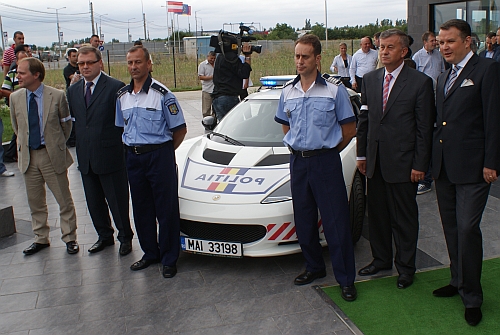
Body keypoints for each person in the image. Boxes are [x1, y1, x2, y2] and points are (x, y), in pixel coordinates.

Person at [274, 34, 357, 302]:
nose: (299, 61)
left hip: (326, 161)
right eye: (297, 56)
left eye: (305, 56)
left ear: (318, 59)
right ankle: (314, 267)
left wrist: (327, 149)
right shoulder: (288, 91)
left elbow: (349, 129)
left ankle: (345, 279)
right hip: (298, 162)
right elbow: (286, 126)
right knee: (304, 219)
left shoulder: (335, 90)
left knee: (336, 222)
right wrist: (299, 147)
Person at [432, 19, 500, 326]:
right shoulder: (444, 77)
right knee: (451, 228)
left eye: (450, 41)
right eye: (441, 41)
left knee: (467, 229)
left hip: (475, 169)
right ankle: (457, 281)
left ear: (468, 41)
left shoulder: (487, 70)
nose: (443, 46)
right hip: (445, 167)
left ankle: (473, 297)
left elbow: (494, 120)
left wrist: (492, 162)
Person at [356, 29, 435, 289]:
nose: (384, 52)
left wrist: (419, 165)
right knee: (377, 216)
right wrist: (362, 154)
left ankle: (406, 267)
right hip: (376, 163)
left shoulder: (419, 83)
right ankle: (381, 260)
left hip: (404, 165)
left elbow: (424, 129)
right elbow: (365, 120)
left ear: (403, 52)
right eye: (381, 47)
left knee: (404, 219)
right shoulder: (370, 79)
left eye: (390, 47)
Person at [115, 46, 187, 278]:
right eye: (130, 63)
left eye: (138, 62)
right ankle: (150, 253)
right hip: (133, 157)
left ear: (149, 64)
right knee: (141, 207)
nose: (134, 67)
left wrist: (163, 152)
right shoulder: (122, 97)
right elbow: (122, 128)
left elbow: (180, 130)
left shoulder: (163, 95)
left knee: (165, 209)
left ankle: (168, 258)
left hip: (159, 156)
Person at [67, 46, 134, 256]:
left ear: (100, 63)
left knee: (117, 201)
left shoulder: (116, 87)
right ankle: (104, 236)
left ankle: (125, 237)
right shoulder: (73, 91)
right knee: (94, 202)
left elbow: (125, 123)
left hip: (111, 156)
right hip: (86, 157)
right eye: (81, 63)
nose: (85, 67)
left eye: (89, 63)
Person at [10, 57, 79, 255]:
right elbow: (17, 127)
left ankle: (69, 238)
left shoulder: (56, 96)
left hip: (51, 156)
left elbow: (66, 125)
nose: (18, 76)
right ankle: (40, 238)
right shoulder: (15, 98)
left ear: (36, 74)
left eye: (22, 73)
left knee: (63, 199)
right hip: (29, 157)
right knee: (35, 201)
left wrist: (55, 144)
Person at [412, 31, 445, 195]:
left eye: (436, 40)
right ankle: (425, 179)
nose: (435, 43)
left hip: (438, 97)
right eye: (433, 41)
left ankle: (433, 175)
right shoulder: (417, 57)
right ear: (425, 42)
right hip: (424, 99)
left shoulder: (439, 56)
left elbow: (443, 73)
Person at [211, 43, 252, 121]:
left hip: (218, 97)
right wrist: (247, 56)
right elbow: (244, 73)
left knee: (223, 126)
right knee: (234, 125)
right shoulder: (231, 58)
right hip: (228, 98)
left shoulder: (220, 56)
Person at [198, 51, 216, 117]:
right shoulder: (202, 65)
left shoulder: (217, 64)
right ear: (207, 57)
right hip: (207, 90)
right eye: (211, 58)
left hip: (216, 90)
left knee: (216, 109)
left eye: (214, 58)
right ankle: (207, 123)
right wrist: (211, 77)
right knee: (206, 109)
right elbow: (200, 77)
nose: (213, 60)